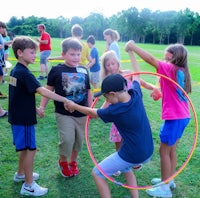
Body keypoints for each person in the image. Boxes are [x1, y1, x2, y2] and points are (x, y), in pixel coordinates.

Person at [64, 50, 154, 197]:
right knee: (126, 168)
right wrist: (131, 53)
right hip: (147, 150)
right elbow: (137, 75)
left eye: (106, 97)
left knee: (98, 172)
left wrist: (74, 106)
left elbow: (93, 113)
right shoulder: (135, 94)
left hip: (133, 154)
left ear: (112, 94)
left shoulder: (115, 110)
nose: (107, 101)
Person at [125, 40, 191, 198]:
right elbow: (173, 91)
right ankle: (168, 180)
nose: (164, 60)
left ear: (174, 58)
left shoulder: (170, 68)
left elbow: (151, 60)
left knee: (164, 151)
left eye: (166, 58)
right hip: (183, 116)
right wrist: (160, 93)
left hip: (175, 119)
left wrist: (132, 47)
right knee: (172, 150)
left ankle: (164, 188)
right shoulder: (180, 70)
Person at [9, 36, 71, 197]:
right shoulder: (24, 73)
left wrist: (36, 108)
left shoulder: (16, 70)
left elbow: (19, 97)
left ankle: (21, 174)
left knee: (25, 149)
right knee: (31, 149)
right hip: (24, 120)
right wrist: (63, 98)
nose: (35, 55)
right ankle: (29, 185)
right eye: (31, 52)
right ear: (20, 53)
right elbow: (42, 91)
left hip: (18, 117)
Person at [39, 37, 93, 177]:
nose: (76, 57)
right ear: (63, 55)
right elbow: (48, 89)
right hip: (64, 113)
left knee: (78, 141)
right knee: (67, 139)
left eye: (78, 54)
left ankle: (73, 162)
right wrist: (42, 107)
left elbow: (88, 91)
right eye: (72, 54)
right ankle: (63, 162)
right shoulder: (57, 70)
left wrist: (91, 109)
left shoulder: (83, 70)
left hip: (81, 113)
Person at [101, 50, 161, 154]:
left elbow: (144, 84)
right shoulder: (109, 82)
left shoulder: (128, 74)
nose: (111, 67)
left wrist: (155, 88)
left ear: (118, 63)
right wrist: (98, 111)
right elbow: (108, 101)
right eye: (108, 65)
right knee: (119, 140)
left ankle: (132, 160)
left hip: (133, 112)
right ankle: (120, 161)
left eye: (113, 63)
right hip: (120, 114)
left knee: (131, 138)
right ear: (105, 67)